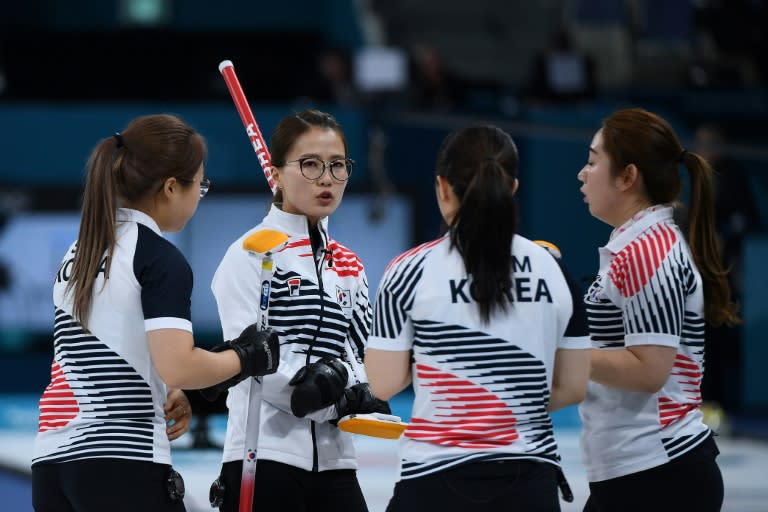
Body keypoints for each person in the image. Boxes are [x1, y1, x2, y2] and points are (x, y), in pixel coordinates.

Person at [31, 114, 279, 512]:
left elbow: (112, 342)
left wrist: (163, 391)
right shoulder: (159, 257)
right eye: (201, 184)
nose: (201, 194)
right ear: (170, 187)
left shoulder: (80, 250)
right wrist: (247, 356)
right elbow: (180, 364)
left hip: (51, 465)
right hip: (120, 460)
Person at [363, 124, 592, 512]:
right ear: (513, 187)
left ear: (443, 187)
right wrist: (508, 400)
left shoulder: (408, 270)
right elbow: (572, 387)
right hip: (529, 485)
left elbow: (382, 384)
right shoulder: (554, 269)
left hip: (435, 481)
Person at [206, 109, 390, 512]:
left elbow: (362, 351)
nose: (326, 178)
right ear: (276, 174)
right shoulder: (249, 255)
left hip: (337, 460)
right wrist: (327, 401)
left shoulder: (349, 264)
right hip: (263, 456)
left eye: (337, 165)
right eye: (309, 164)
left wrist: (351, 385)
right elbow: (247, 360)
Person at [576, 107, 739, 512]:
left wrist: (562, 353)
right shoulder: (635, 245)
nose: (582, 173)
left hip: (658, 474)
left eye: (593, 162)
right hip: (637, 471)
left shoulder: (648, 252)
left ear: (628, 176)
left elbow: (649, 370)